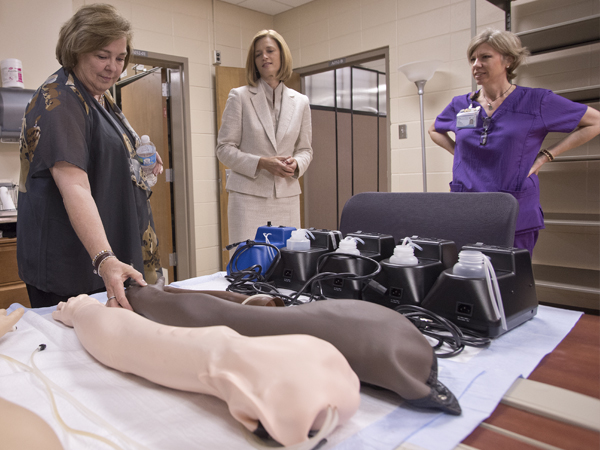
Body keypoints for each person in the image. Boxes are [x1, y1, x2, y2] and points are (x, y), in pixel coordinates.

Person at [52, 294, 360, 447]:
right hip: (307, 377)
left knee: (204, 351)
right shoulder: (317, 357)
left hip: (284, 387)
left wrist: (82, 310)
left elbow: (125, 340)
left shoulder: (270, 380)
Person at [17, 4, 163, 309]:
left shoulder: (99, 98)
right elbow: (74, 186)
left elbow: (105, 154)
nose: (113, 67)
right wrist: (105, 258)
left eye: (120, 58)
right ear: (76, 51)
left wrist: (135, 160)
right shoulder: (60, 101)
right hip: (75, 267)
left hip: (106, 258)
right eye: (102, 56)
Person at [429, 29, 600, 254]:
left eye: (485, 57)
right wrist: (460, 154)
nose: (476, 64)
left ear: (508, 60)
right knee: (469, 280)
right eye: (472, 59)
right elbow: (434, 130)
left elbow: (595, 122)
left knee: (510, 281)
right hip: (467, 207)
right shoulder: (461, 104)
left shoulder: (536, 101)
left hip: (515, 207)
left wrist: (545, 156)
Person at [216, 29, 313, 245]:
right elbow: (224, 148)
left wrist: (296, 163)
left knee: (286, 265)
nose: (264, 57)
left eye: (270, 51)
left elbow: (305, 149)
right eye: (258, 54)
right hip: (248, 198)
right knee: (249, 264)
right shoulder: (239, 96)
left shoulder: (300, 102)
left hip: (286, 198)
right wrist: (260, 162)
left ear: (282, 56)